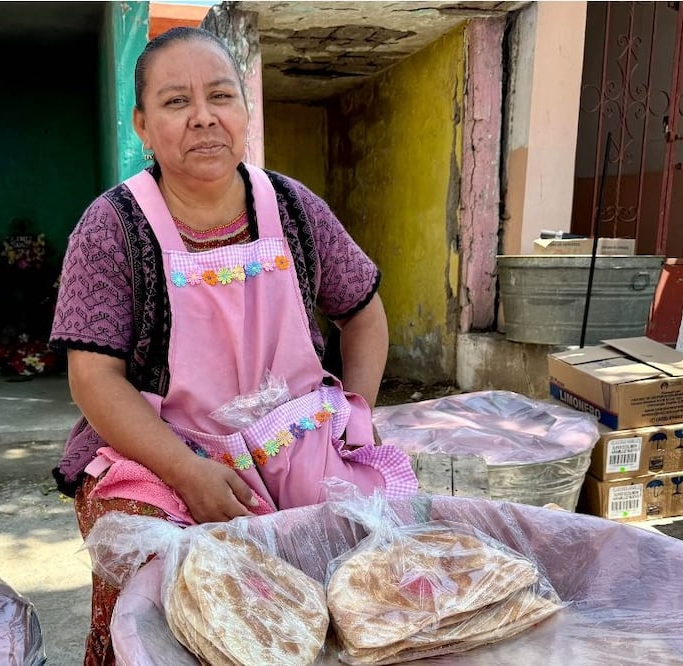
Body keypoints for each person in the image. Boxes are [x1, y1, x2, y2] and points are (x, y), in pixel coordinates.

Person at [49, 26, 418, 665]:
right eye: (174, 102)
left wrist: (355, 418)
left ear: (246, 110)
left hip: (299, 442)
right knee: (169, 601)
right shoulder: (112, 227)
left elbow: (362, 314)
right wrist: (186, 472)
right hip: (163, 454)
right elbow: (94, 378)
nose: (202, 118)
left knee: (364, 594)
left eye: (220, 96)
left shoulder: (295, 209)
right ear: (141, 124)